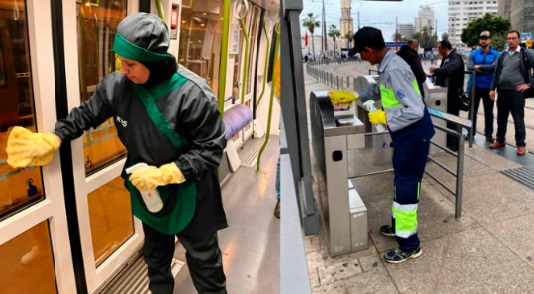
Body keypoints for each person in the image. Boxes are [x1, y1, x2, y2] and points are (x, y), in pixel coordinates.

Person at [6, 13, 228, 293]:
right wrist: (54, 137)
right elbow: (87, 114)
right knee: (156, 258)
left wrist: (167, 173)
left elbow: (210, 148)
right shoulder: (118, 86)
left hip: (191, 191)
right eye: (120, 61)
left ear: (153, 60)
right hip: (149, 189)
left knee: (205, 264)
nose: (123, 69)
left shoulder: (192, 95)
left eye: (130, 64)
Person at [339, 27, 435, 263]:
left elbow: (414, 109)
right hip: (406, 135)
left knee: (407, 186)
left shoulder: (394, 67)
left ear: (369, 50)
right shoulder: (387, 64)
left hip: (413, 135)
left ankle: (410, 244)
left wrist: (385, 117)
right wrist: (355, 96)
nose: (361, 58)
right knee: (401, 181)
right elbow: (379, 88)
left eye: (361, 54)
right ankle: (398, 227)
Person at [489, 30, 534, 156]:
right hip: (502, 92)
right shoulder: (502, 55)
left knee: (518, 119)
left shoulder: (525, 53)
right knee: (501, 118)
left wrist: (529, 84)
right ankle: (500, 140)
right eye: (508, 38)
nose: (511, 41)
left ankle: (520, 145)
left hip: (517, 93)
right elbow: (497, 73)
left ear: (519, 40)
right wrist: (492, 89)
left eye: (513, 38)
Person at [430, 40, 465, 152]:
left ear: (445, 49)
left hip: (454, 93)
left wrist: (435, 70)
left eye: (440, 50)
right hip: (446, 93)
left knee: (453, 118)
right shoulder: (447, 57)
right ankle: (449, 141)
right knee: (447, 117)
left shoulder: (456, 57)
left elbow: (447, 70)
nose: (439, 52)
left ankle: (455, 143)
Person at [466, 31, 500, 143]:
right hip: (474, 87)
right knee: (472, 112)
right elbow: (470, 68)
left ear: (490, 40)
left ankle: (489, 134)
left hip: (489, 88)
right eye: (481, 38)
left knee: (489, 112)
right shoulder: (473, 54)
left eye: (485, 38)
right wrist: (487, 69)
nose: (483, 40)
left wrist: (480, 66)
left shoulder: (496, 54)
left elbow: (495, 67)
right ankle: (470, 133)